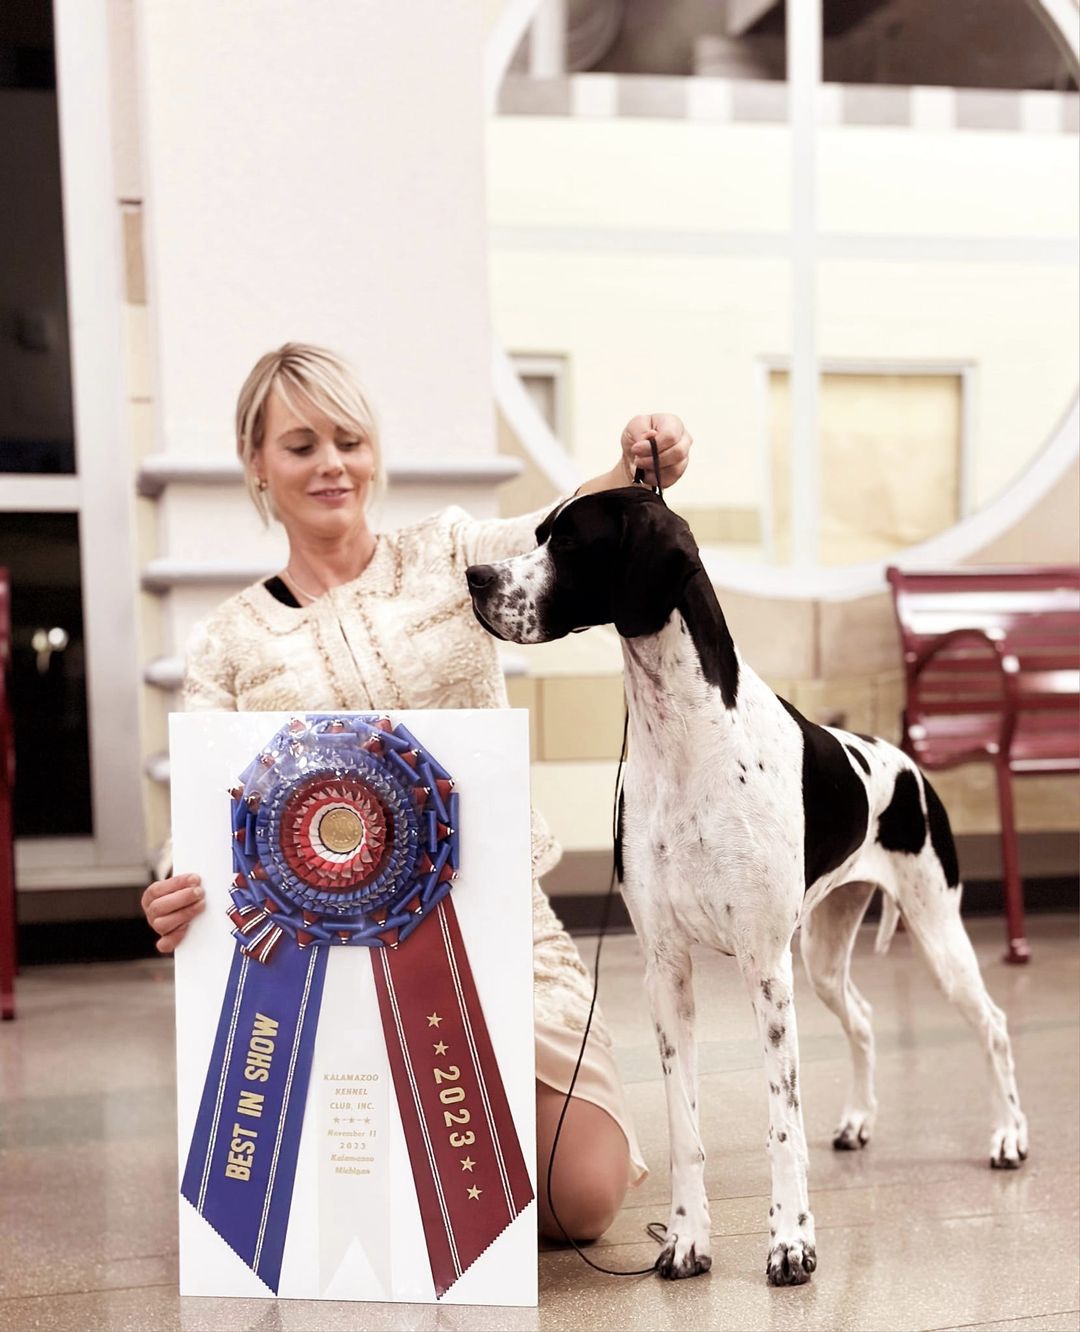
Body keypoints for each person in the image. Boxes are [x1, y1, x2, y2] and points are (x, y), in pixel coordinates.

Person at [141, 343, 692, 1242]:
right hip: (325, 964)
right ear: (256, 463)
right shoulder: (226, 642)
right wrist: (174, 890)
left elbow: (557, 526)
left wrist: (633, 465)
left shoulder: (446, 553)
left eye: (349, 441)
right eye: (301, 445)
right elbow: (200, 824)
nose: (332, 464)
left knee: (584, 1198)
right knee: (350, 1197)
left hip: (497, 926)